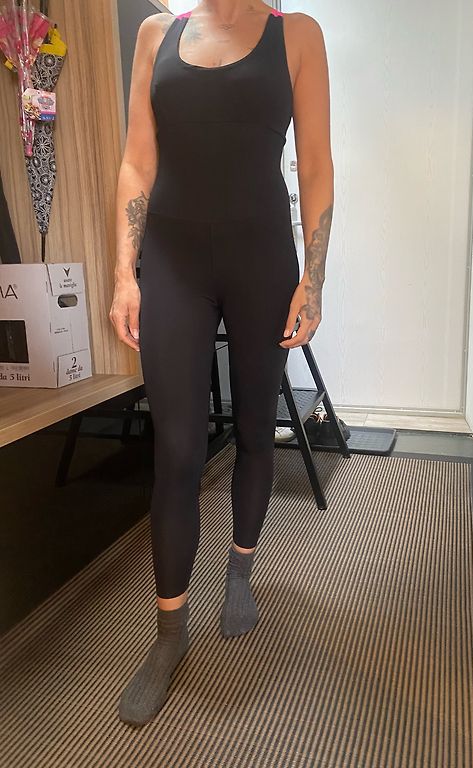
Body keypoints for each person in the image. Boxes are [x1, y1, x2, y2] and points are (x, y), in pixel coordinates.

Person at [109, 1, 333, 727]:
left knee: (255, 429)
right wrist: (123, 273)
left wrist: (314, 278)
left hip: (261, 256)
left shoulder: (297, 34)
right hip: (172, 260)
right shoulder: (157, 34)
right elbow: (137, 159)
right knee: (176, 449)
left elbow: (315, 162)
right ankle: (169, 632)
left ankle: (241, 567)